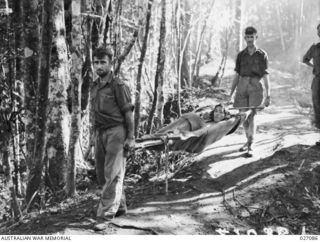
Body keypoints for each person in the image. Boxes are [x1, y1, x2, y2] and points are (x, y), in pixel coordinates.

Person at [91, 47, 134, 223]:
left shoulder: (118, 85)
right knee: (102, 174)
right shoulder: (95, 86)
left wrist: (131, 137)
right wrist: (92, 140)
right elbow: (93, 114)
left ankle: (105, 216)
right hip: (100, 133)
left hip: (116, 131)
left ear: (110, 64)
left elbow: (128, 113)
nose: (99, 66)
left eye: (103, 62)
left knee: (113, 173)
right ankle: (120, 206)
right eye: (96, 62)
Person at [229, 26, 271, 157]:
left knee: (251, 115)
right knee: (243, 117)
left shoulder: (262, 54)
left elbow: (265, 75)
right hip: (242, 86)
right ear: (244, 38)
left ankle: (251, 144)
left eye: (251, 37)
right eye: (247, 37)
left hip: (255, 86)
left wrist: (268, 94)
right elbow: (236, 75)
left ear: (256, 37)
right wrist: (230, 94)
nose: (249, 39)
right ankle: (248, 140)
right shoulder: (241, 55)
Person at [302, 24, 320, 145]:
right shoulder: (314, 48)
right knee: (317, 106)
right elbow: (305, 59)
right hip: (318, 80)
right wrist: (313, 66)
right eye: (319, 31)